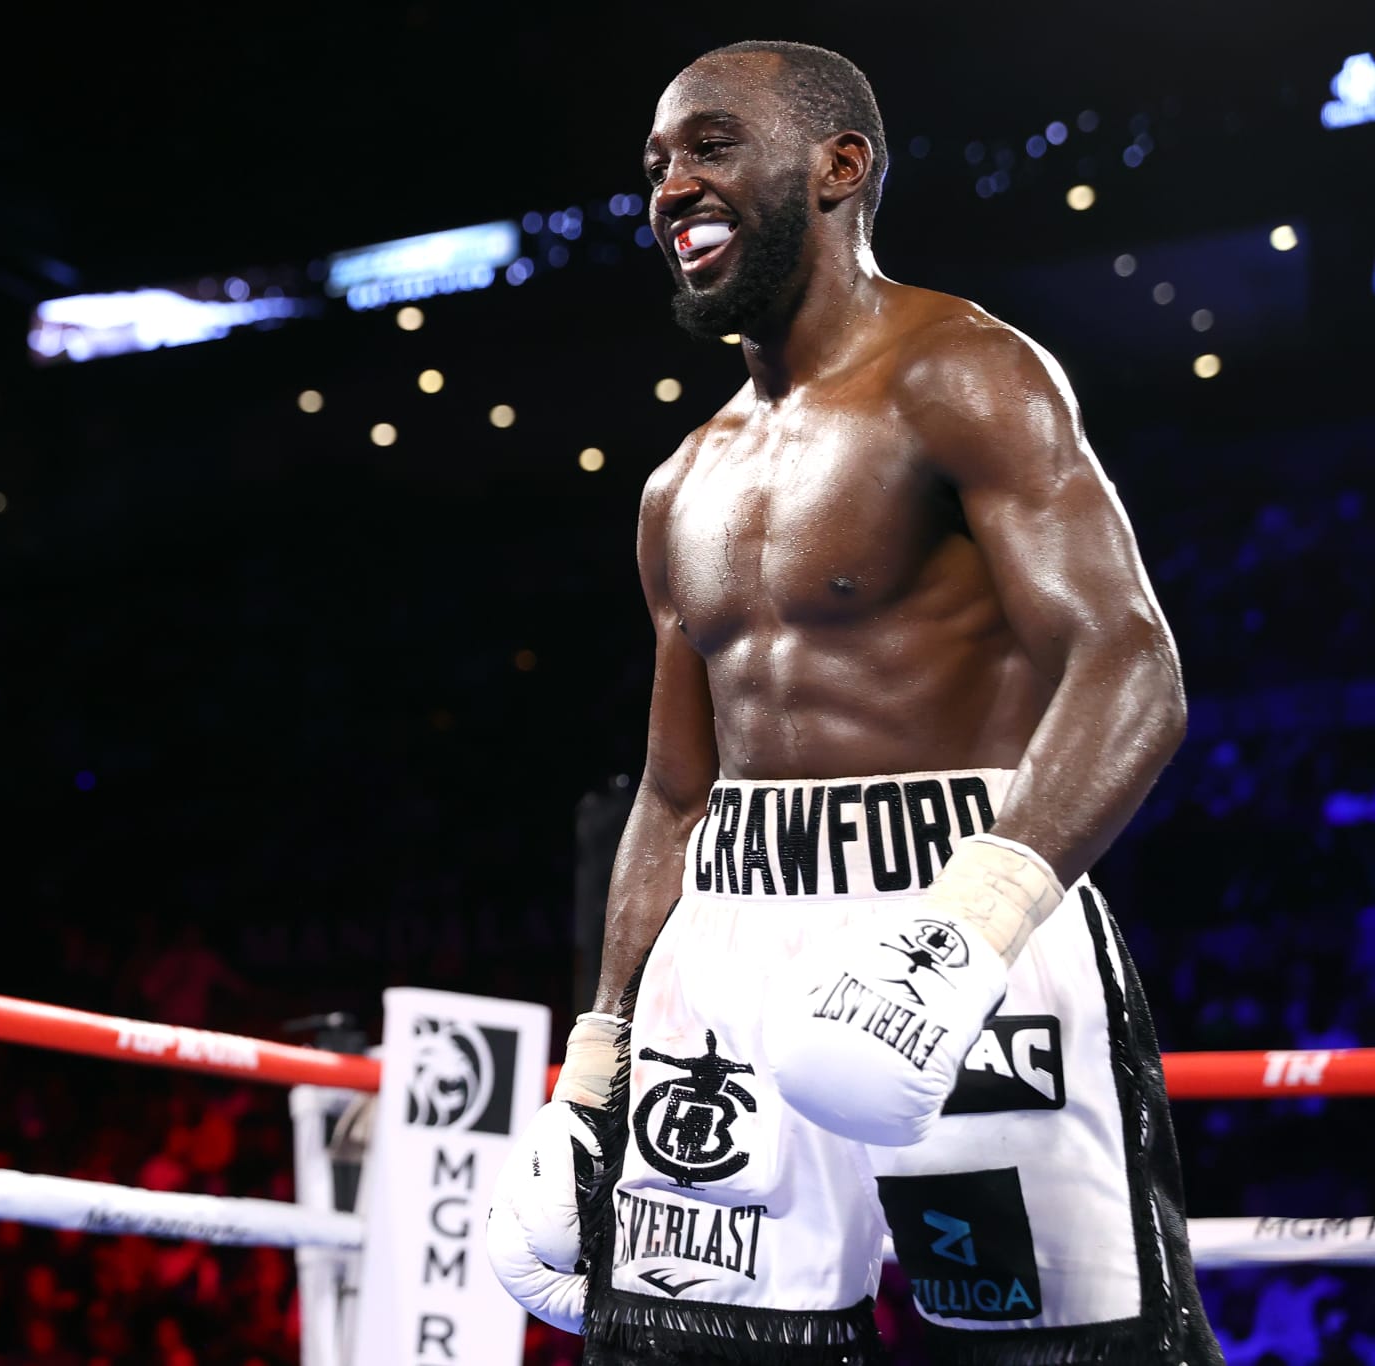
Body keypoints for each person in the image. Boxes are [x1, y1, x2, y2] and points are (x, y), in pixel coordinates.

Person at [486, 38, 1223, 1366]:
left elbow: (1130, 661)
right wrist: (598, 1055)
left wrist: (967, 925)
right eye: (656, 163)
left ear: (841, 166)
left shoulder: (966, 371)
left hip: (962, 924)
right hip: (729, 940)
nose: (669, 185)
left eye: (710, 145)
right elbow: (672, 789)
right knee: (680, 1348)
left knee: (1051, 1354)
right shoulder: (678, 483)